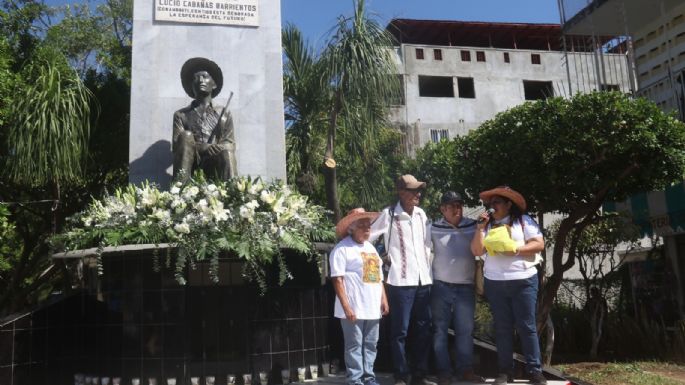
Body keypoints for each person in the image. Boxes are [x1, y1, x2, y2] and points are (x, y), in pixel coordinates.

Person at [470, 186, 547, 385]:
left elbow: (539, 244)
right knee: (502, 328)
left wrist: (516, 250)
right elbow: (476, 250)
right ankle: (505, 372)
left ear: (508, 204)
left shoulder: (523, 221)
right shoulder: (486, 226)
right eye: (490, 203)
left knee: (526, 326)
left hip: (523, 281)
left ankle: (534, 371)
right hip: (495, 283)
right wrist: (479, 228)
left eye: (497, 202)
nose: (492, 206)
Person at [369, 175, 434, 385]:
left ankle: (419, 374)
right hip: (400, 281)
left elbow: (429, 244)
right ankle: (401, 375)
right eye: (413, 190)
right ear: (401, 192)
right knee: (400, 331)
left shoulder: (422, 215)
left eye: (418, 190)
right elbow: (368, 238)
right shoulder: (389, 215)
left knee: (423, 329)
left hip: (423, 280)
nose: (418, 194)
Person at [429, 191, 485, 384]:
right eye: (452, 205)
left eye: (459, 205)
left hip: (465, 287)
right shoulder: (433, 227)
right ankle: (443, 372)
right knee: (440, 330)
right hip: (440, 286)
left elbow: (481, 249)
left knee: (465, 331)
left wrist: (481, 228)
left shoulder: (472, 225)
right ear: (442, 209)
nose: (456, 208)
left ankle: (465, 370)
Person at [331, 208, 390, 385]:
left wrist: (384, 298)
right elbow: (337, 280)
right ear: (351, 227)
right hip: (353, 307)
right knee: (354, 345)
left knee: (371, 344)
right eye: (362, 225)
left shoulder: (371, 248)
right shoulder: (342, 249)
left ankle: (369, 377)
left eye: (368, 225)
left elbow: (378, 277)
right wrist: (347, 307)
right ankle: (355, 379)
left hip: (372, 307)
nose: (367, 228)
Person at [173, 57, 237, 182]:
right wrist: (203, 147)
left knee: (227, 151)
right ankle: (180, 192)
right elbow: (177, 146)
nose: (200, 80)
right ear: (191, 85)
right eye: (196, 77)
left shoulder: (224, 113)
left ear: (214, 84)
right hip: (191, 163)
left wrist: (217, 148)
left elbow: (230, 143)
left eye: (205, 76)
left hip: (215, 162)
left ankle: (233, 194)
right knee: (186, 135)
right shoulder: (181, 114)